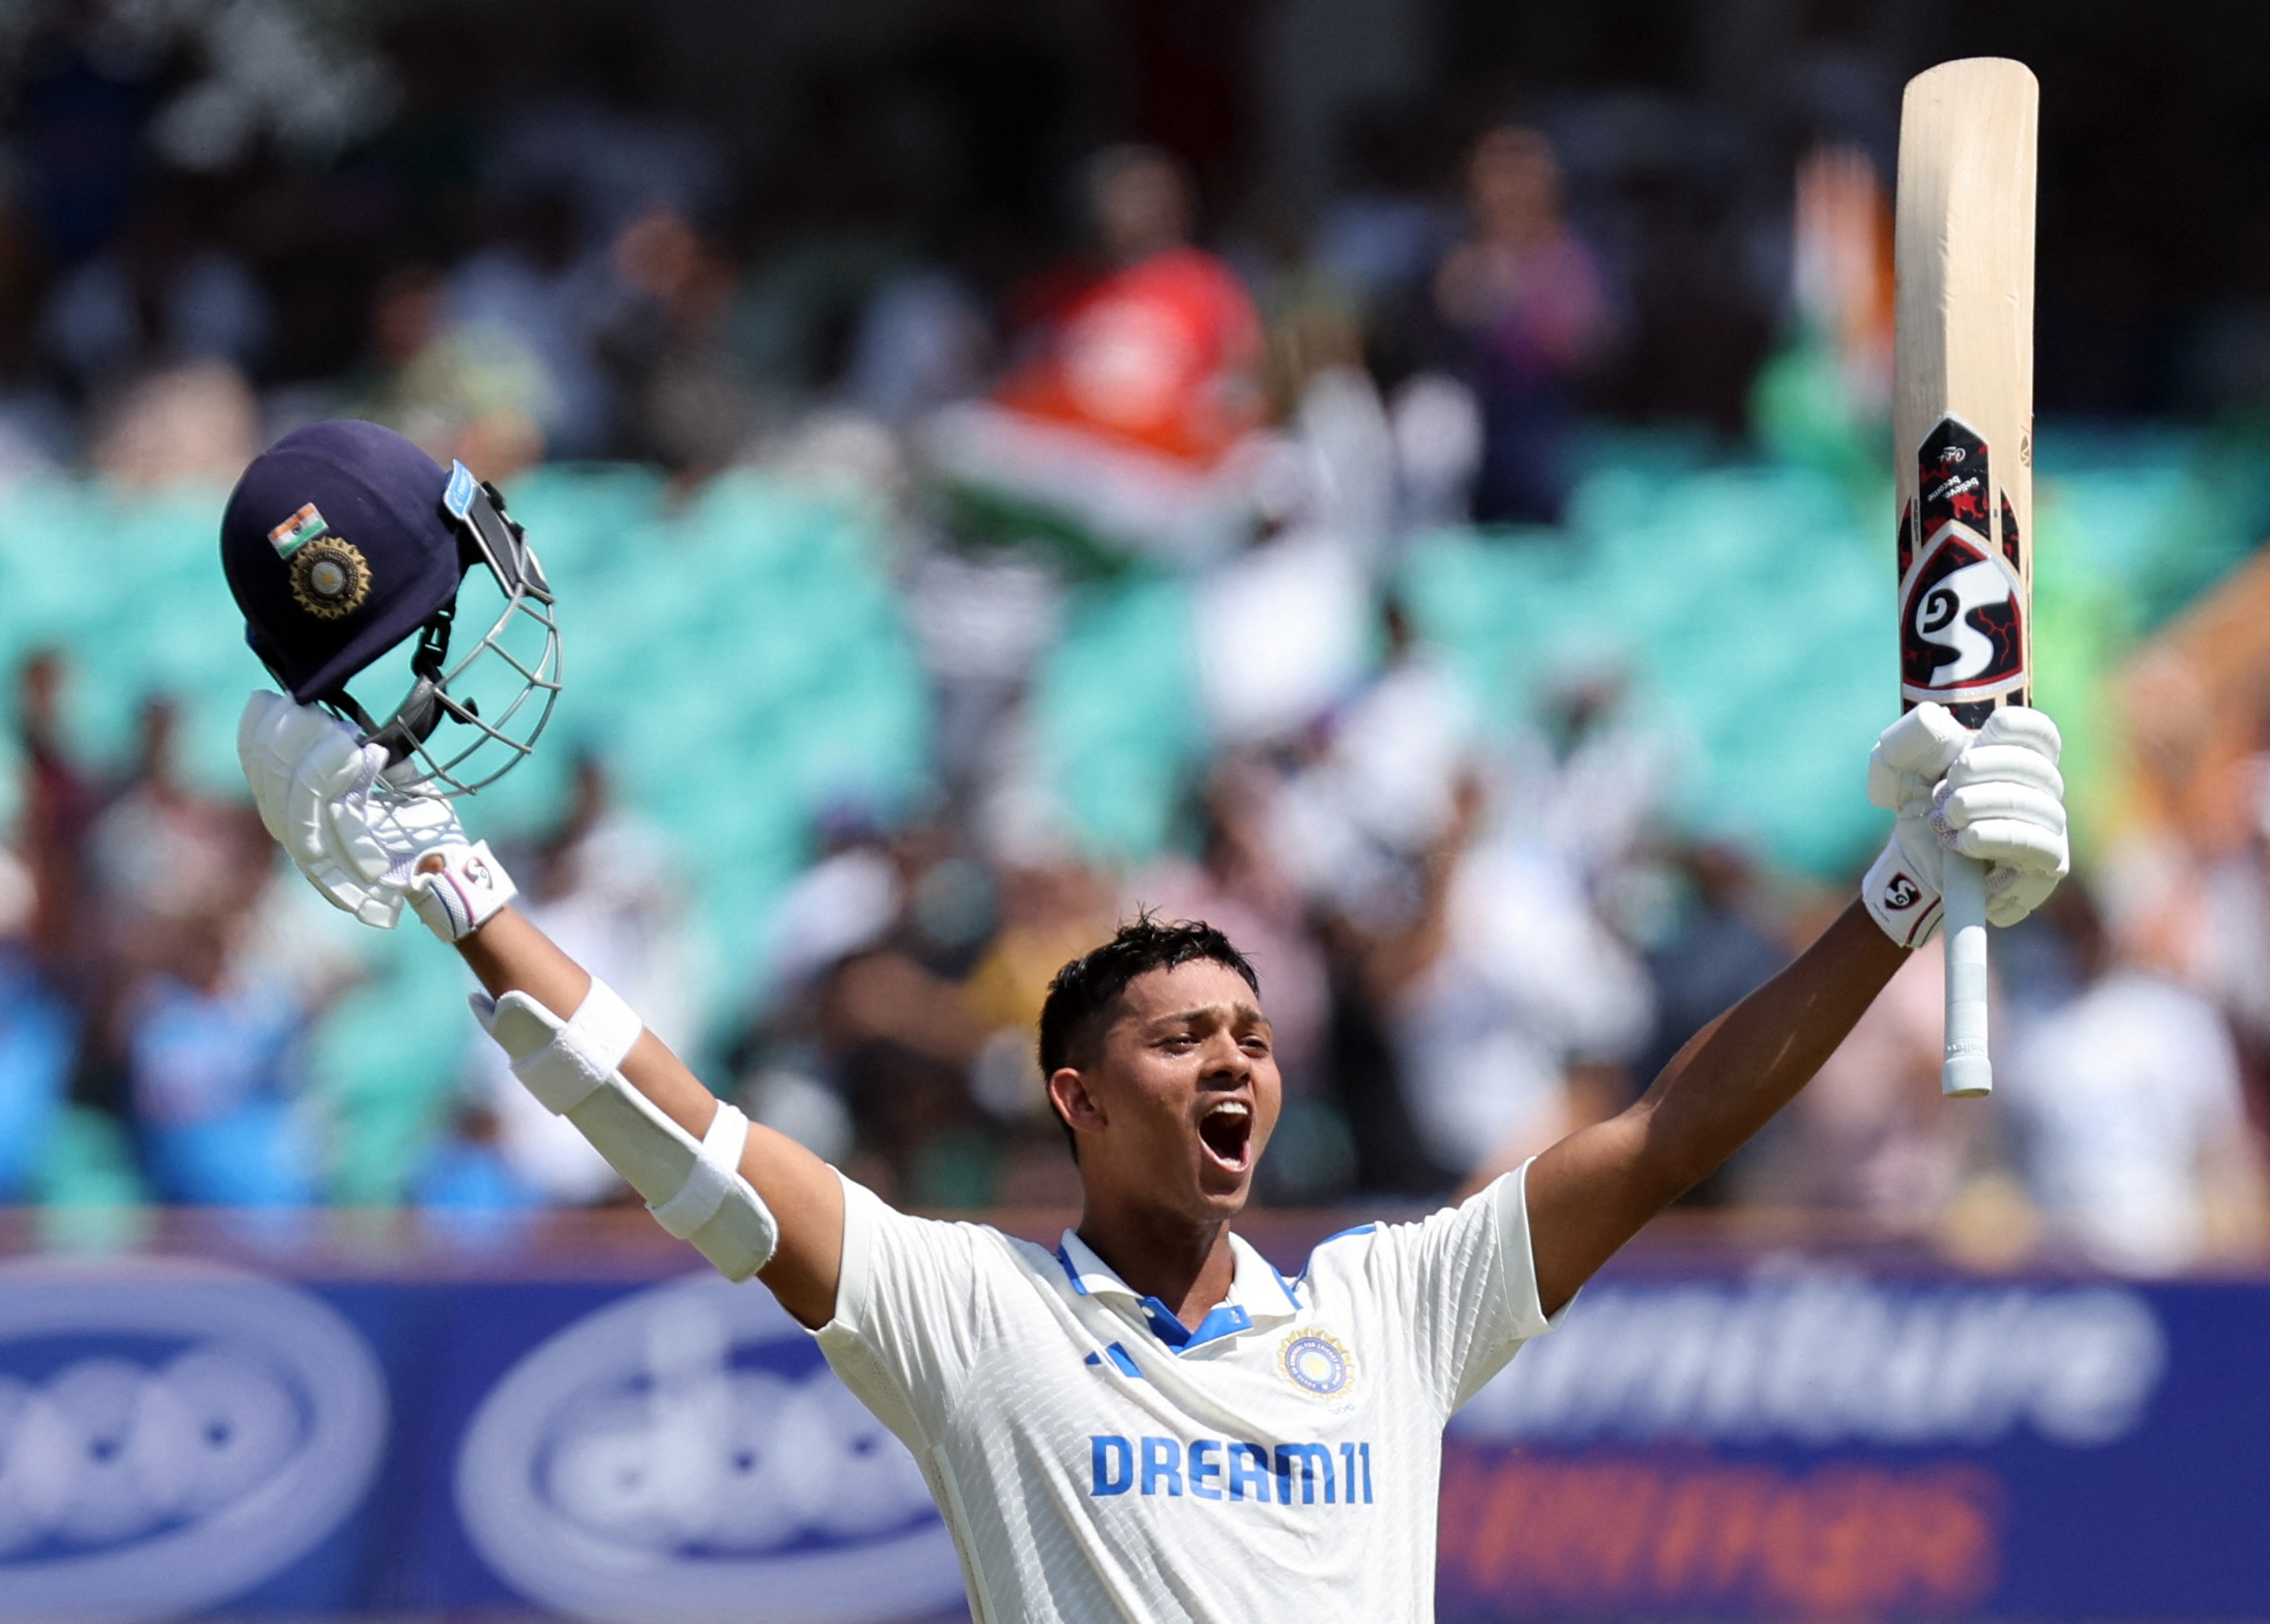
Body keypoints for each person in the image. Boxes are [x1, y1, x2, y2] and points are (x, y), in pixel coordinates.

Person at [219, 422, 2071, 1622]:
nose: (1242, 1063)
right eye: (1187, 1038)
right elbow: (685, 1140)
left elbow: (1675, 1130)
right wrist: (470, 900)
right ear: (1076, 1098)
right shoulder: (974, 1322)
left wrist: (1900, 890)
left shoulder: (1388, 1313)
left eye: (1253, 1037)